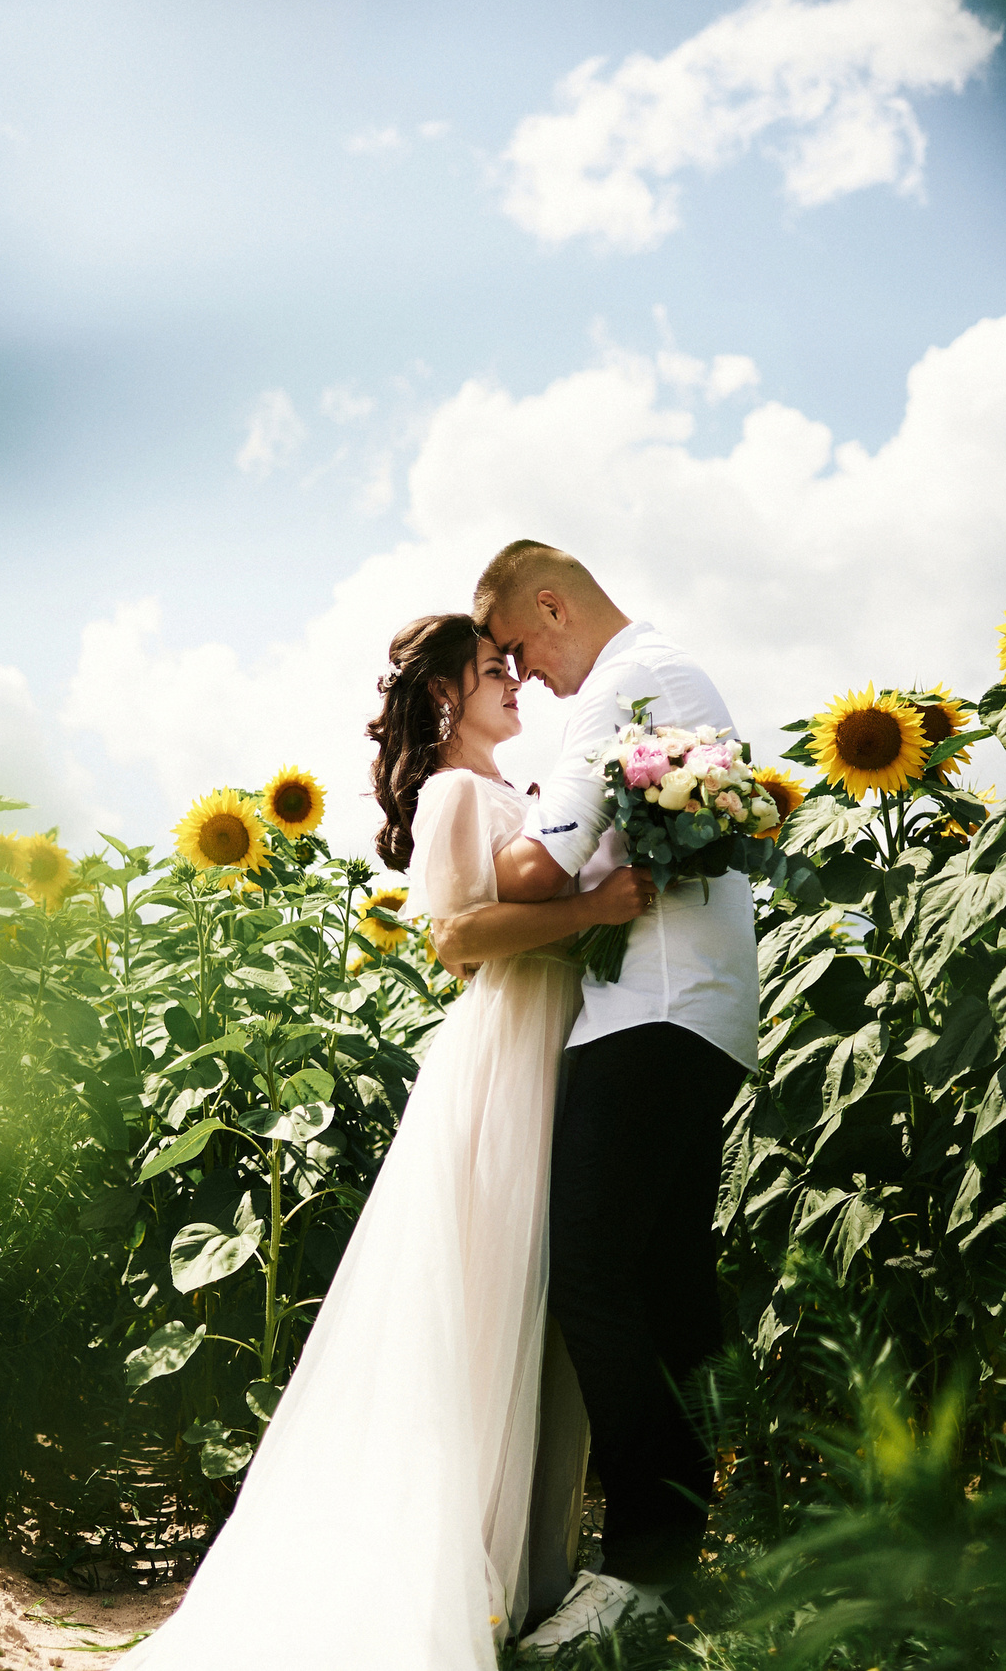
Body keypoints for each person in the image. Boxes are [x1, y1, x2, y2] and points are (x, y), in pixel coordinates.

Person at [122, 614, 653, 1670]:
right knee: (492, 1294)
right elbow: (458, 941)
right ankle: (468, 1581)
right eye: (492, 670)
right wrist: (594, 907)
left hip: (552, 1038)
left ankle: (510, 1579)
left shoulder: (520, 793)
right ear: (445, 696)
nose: (514, 684)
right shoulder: (459, 791)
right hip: (505, 1047)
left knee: (534, 1307)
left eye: (513, 666)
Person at [458, 540, 760, 1646]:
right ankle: (687, 1547)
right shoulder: (673, 671)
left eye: (519, 649)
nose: (525, 677)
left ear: (551, 603)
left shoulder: (630, 683)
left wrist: (463, 829)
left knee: (587, 1268)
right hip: (697, 1008)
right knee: (663, 1274)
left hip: (654, 1009)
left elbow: (537, 868)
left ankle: (643, 1559)